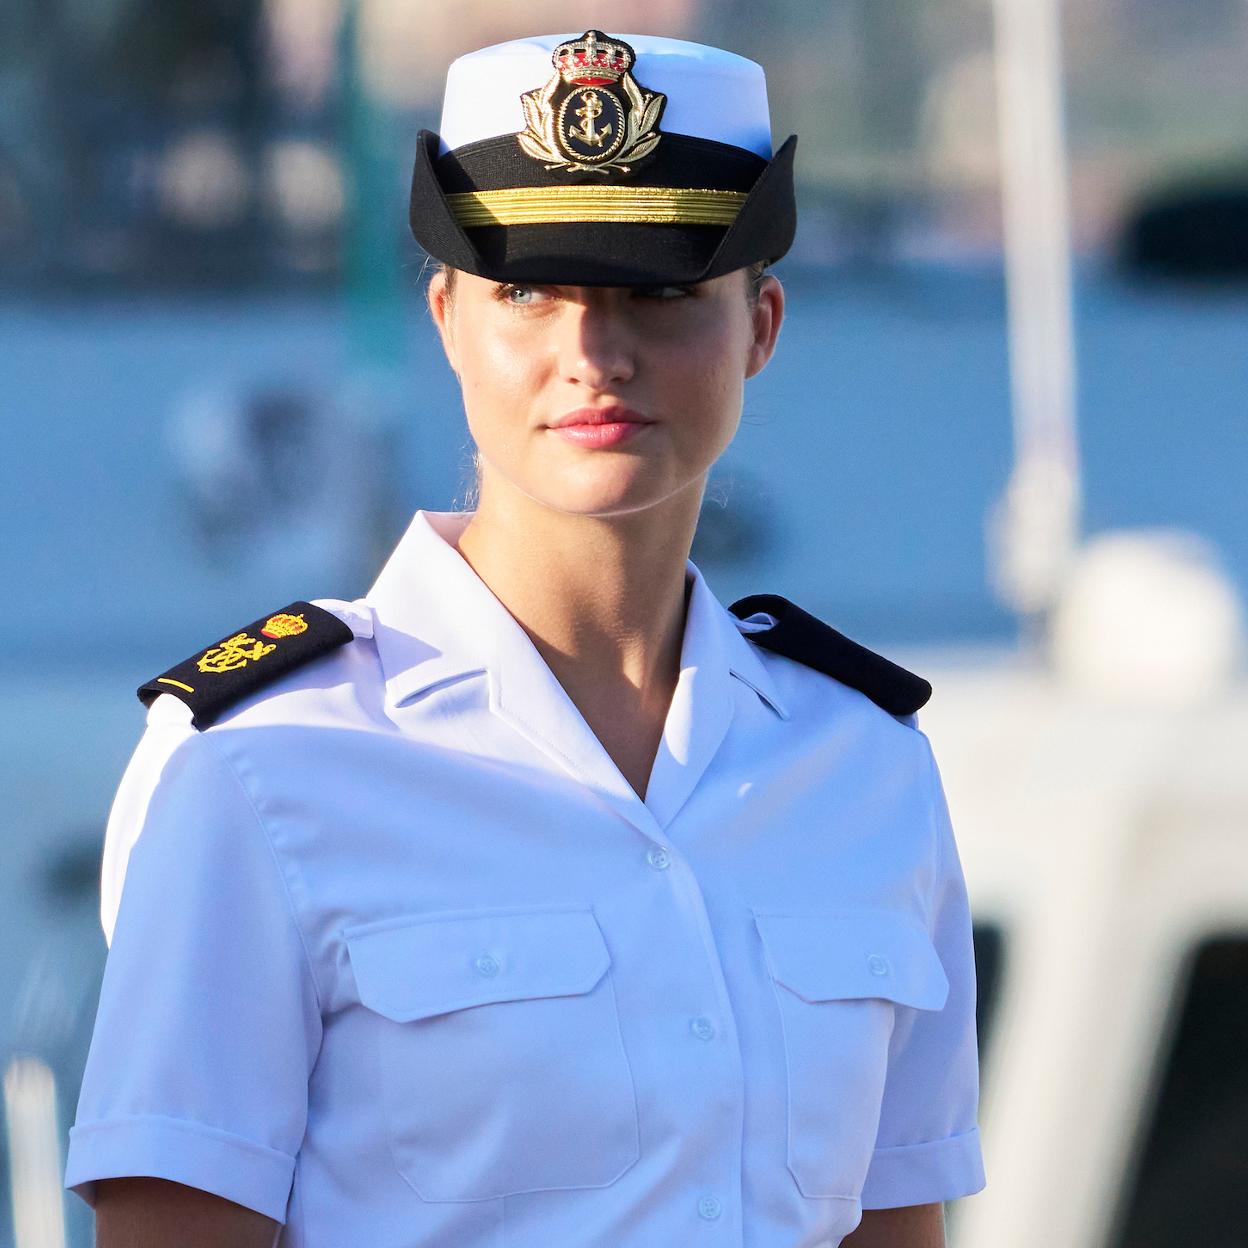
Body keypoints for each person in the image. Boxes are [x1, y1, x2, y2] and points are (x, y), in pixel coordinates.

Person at [64, 30, 986, 1248]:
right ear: (447, 318)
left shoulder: (865, 768)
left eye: (658, 293)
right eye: (528, 292)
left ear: (761, 324)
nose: (592, 356)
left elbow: (894, 1222)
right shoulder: (261, 767)